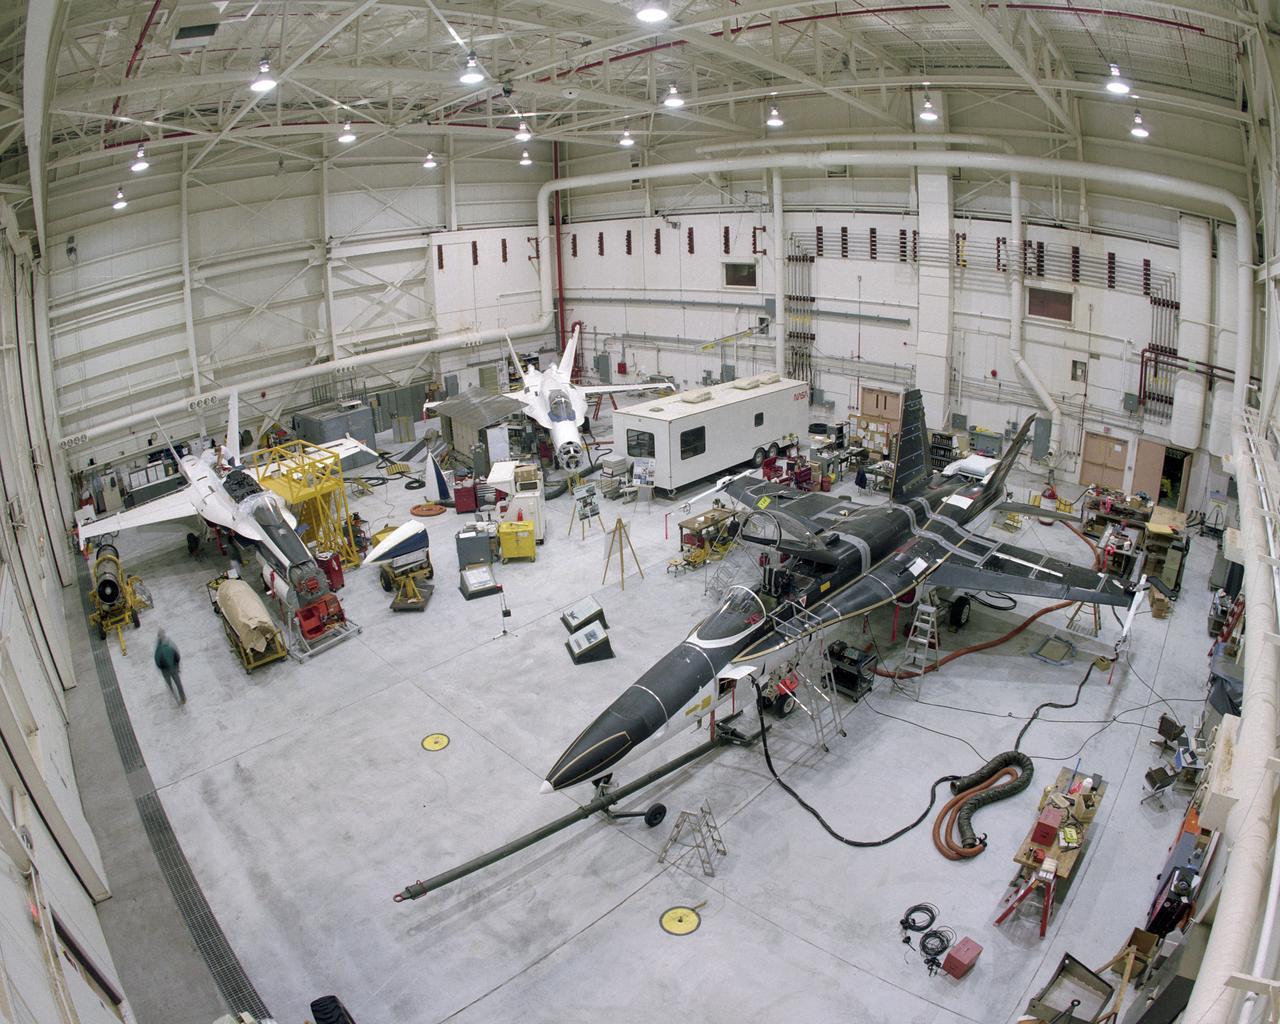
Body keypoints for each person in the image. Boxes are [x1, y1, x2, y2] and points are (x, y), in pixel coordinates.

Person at [154, 630, 185, 706]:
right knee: (173, 684)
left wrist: (176, 664)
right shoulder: (162, 646)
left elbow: (176, 655)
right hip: (169, 669)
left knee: (176, 684)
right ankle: (178, 699)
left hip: (169, 669)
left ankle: (181, 698)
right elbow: (176, 654)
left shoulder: (166, 645)